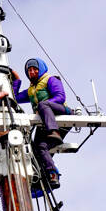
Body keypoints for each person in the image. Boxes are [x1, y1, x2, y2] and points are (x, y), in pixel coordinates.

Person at [11, 58, 72, 190]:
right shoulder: (31, 90)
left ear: (41, 69)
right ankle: (51, 174)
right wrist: (16, 81)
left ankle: (54, 132)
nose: (32, 72)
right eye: (29, 70)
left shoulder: (50, 79)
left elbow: (60, 97)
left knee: (43, 104)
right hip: (45, 122)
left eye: (34, 69)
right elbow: (13, 99)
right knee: (39, 147)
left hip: (61, 114)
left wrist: (43, 106)